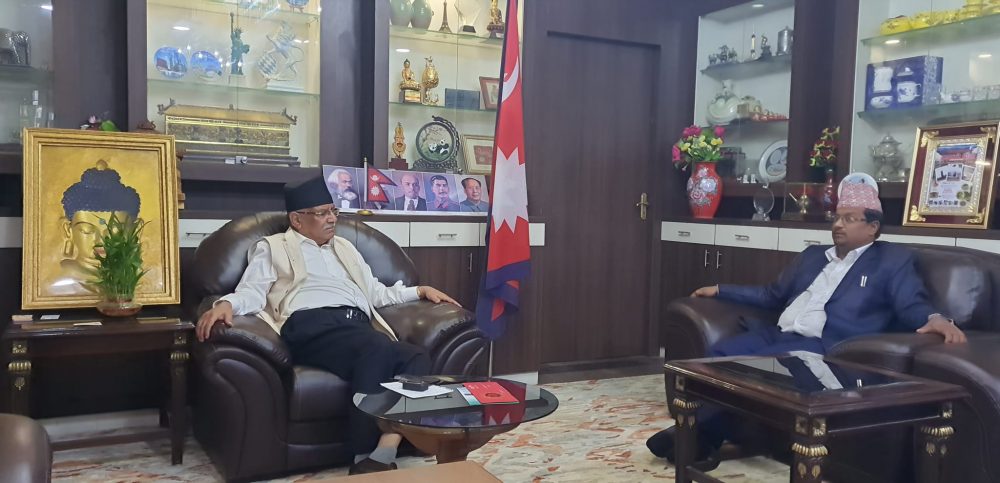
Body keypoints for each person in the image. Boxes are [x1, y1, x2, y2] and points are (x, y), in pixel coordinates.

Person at [646, 179, 967, 470]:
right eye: (837, 217)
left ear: (873, 227)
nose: (837, 224)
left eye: (849, 219)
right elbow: (773, 294)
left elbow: (911, 302)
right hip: (778, 334)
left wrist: (936, 319)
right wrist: (721, 289)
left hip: (819, 346)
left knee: (751, 371)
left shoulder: (891, 261)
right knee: (721, 356)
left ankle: (694, 437)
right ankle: (700, 436)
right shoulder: (814, 255)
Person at [196, 176, 460, 475]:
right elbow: (252, 292)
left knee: (416, 357)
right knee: (376, 346)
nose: (332, 219)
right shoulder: (273, 247)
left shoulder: (345, 247)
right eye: (322, 213)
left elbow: (376, 293)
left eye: (334, 211)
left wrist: (420, 290)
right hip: (310, 324)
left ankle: (384, 451)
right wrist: (227, 304)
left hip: (357, 327)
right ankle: (362, 456)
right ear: (297, 219)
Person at [50, 160, 142, 296]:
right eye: (87, 231)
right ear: (68, 230)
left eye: (115, 231)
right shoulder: (58, 278)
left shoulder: (140, 282)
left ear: (135, 230)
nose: (100, 241)